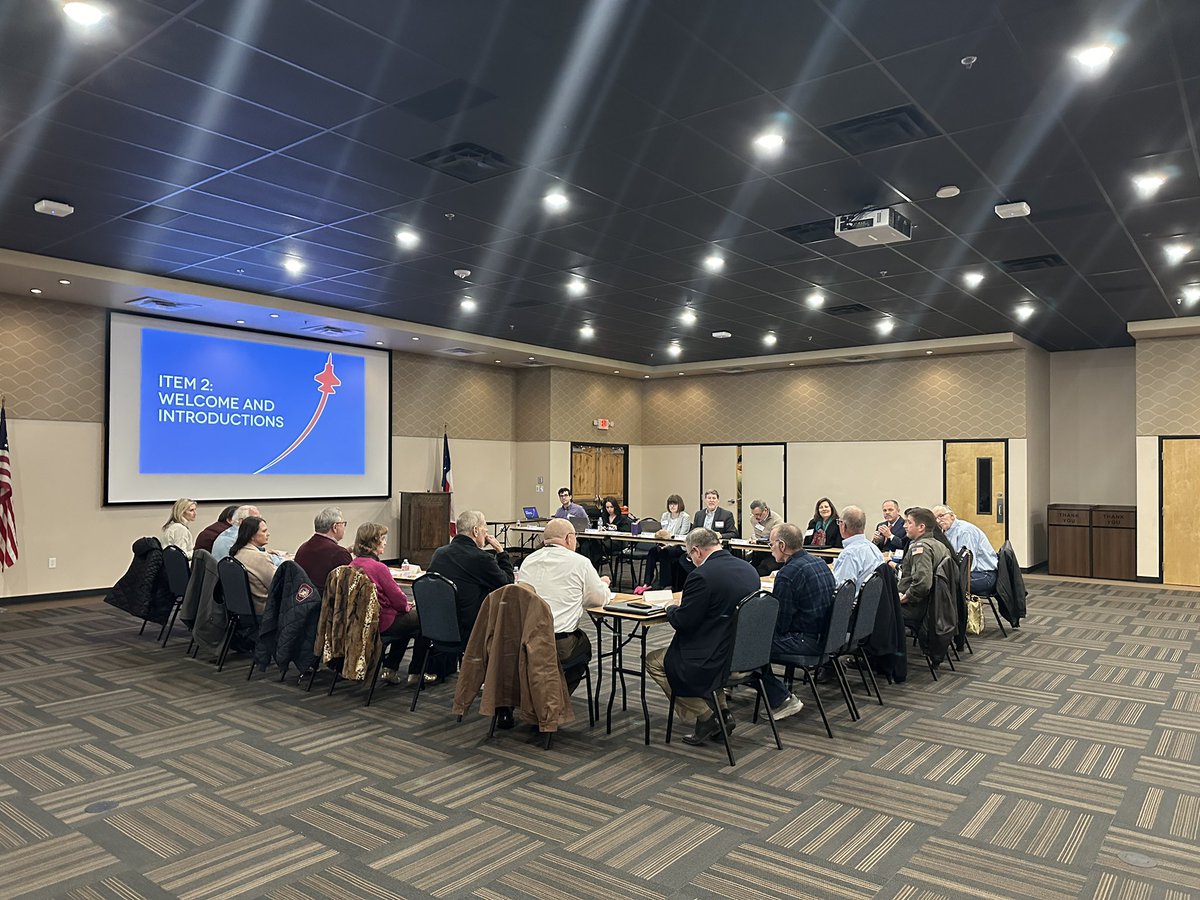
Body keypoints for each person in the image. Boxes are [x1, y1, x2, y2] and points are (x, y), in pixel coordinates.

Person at [646, 528, 760, 746]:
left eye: (690, 556)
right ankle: (723, 712)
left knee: (654, 662)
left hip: (710, 656)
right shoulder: (749, 570)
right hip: (744, 653)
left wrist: (671, 608)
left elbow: (683, 622)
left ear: (696, 551)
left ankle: (707, 716)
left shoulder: (701, 576)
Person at [516, 518, 609, 695]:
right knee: (584, 647)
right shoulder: (580, 562)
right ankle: (557, 697)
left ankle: (539, 696)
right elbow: (597, 600)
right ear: (568, 538)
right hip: (559, 643)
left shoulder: (528, 561)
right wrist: (603, 584)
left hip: (525, 640)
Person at [420, 510, 515, 677]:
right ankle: (494, 681)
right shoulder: (480, 558)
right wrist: (501, 552)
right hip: (469, 629)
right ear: (476, 531)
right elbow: (507, 583)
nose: (487, 531)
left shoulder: (440, 553)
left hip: (437, 626)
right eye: (485, 526)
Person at [759, 522, 836, 720]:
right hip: (826, 637)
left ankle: (781, 699)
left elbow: (781, 623)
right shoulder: (819, 562)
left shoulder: (787, 574)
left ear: (782, 546)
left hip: (805, 641)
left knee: (747, 646)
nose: (771, 549)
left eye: (771, 545)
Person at [349, 523, 421, 685]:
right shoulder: (378, 568)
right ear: (373, 543)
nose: (386, 542)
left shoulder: (352, 565)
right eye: (383, 539)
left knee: (406, 621)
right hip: (382, 622)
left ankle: (391, 668)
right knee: (423, 618)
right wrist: (410, 606)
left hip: (360, 623)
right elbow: (400, 602)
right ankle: (416, 672)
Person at [897, 507, 951, 627]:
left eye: (909, 522)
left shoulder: (921, 549)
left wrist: (904, 598)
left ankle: (885, 645)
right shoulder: (940, 545)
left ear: (921, 527)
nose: (905, 526)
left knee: (875, 607)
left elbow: (922, 584)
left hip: (917, 607)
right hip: (934, 605)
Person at [933, 504, 998, 594]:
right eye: (935, 518)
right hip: (971, 573)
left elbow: (968, 564)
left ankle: (957, 608)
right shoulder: (947, 532)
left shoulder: (965, 531)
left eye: (941, 516)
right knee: (939, 581)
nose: (938, 520)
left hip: (984, 575)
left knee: (946, 585)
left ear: (951, 515)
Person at [293, 506, 352, 591]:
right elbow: (351, 587)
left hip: (303, 600)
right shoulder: (339, 553)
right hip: (326, 603)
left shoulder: (302, 548)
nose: (344, 527)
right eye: (343, 524)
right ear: (335, 527)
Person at [230, 516, 280, 615]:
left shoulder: (237, 553)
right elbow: (278, 584)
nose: (268, 534)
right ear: (252, 536)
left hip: (246, 611)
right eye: (264, 531)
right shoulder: (259, 558)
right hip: (265, 610)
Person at [641, 494, 690, 590]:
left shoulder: (685, 517)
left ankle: (666, 584)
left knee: (665, 552)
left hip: (678, 545)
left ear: (679, 505)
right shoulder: (665, 515)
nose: (672, 506)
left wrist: (668, 545)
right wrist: (663, 543)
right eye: (670, 504)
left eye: (675, 504)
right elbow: (662, 532)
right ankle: (647, 582)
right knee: (652, 551)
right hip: (664, 543)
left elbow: (682, 535)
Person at [832, 505, 885, 593]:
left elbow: (840, 591)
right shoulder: (874, 549)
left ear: (843, 526)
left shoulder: (849, 554)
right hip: (871, 604)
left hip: (852, 605)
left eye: (839, 522)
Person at [582, 496, 631, 570]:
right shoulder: (604, 517)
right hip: (605, 540)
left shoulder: (622, 518)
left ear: (615, 507)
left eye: (611, 507)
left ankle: (593, 568)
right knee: (588, 545)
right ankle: (592, 565)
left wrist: (616, 528)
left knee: (595, 547)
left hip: (617, 542)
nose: (609, 509)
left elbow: (626, 530)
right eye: (607, 507)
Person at [748, 499, 784, 575]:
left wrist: (760, 541)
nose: (757, 517)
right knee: (748, 568)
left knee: (762, 569)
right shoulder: (753, 519)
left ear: (765, 510)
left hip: (772, 553)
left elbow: (777, 540)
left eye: (759, 514)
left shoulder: (777, 521)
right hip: (758, 551)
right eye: (754, 515)